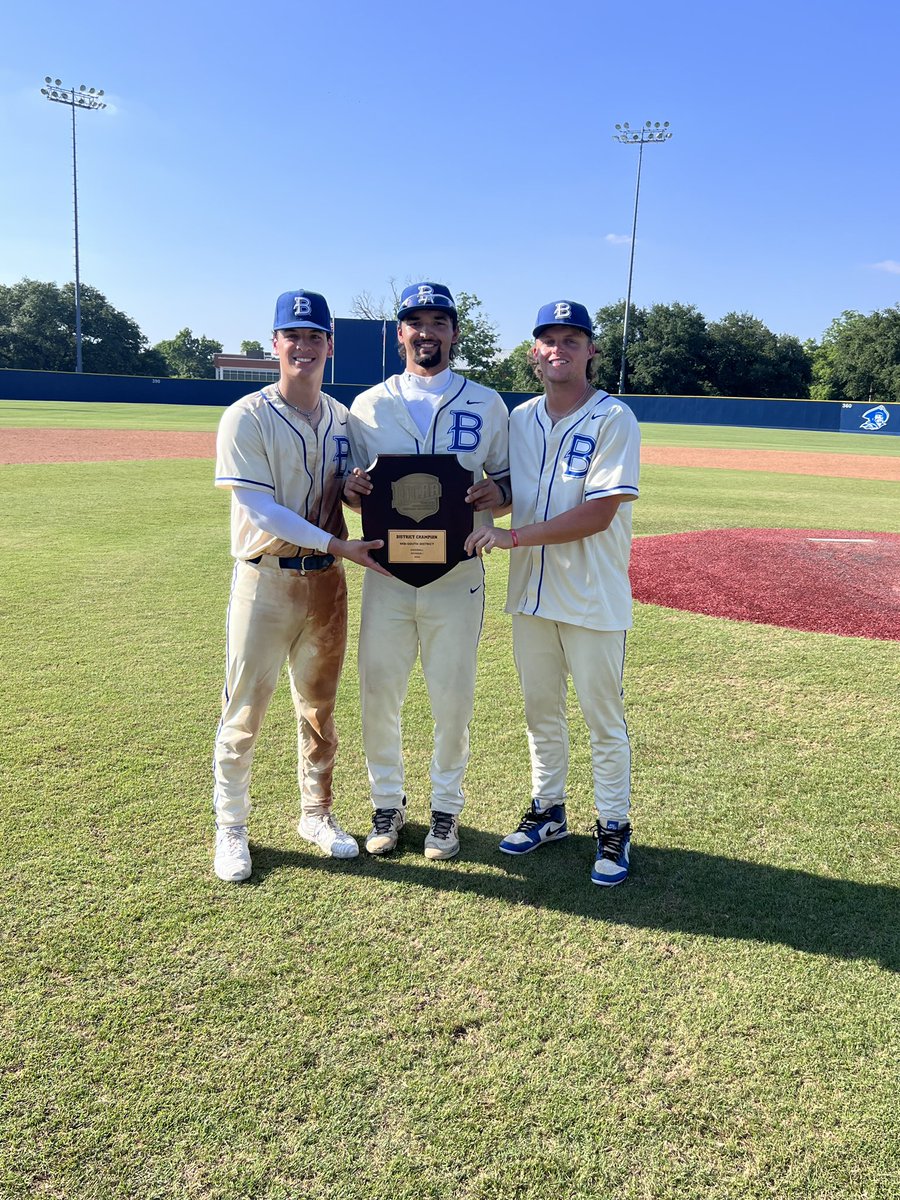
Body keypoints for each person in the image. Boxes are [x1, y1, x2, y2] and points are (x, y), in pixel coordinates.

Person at [211, 288, 390, 883]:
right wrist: (339, 542)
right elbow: (259, 509)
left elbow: (362, 486)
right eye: (294, 335)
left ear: (330, 346)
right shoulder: (247, 415)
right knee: (244, 711)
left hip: (326, 587)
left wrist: (357, 491)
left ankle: (316, 814)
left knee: (319, 710)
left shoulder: (343, 419)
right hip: (266, 581)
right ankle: (231, 827)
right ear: (275, 343)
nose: (304, 346)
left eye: (315, 337)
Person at [465, 300, 640, 886]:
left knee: (602, 719)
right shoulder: (521, 419)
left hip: (592, 595)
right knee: (541, 713)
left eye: (572, 338)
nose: (559, 348)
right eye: (548, 339)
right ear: (534, 353)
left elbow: (598, 513)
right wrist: (493, 499)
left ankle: (613, 825)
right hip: (532, 595)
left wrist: (510, 534)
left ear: (591, 350)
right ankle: (549, 809)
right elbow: (521, 490)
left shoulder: (614, 418)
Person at [344, 282, 511, 860]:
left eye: (439, 321)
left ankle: (446, 810)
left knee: (452, 698)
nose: (427, 331)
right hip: (387, 575)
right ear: (400, 334)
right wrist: (350, 487)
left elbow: (508, 483)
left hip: (456, 574)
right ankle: (386, 802)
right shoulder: (368, 405)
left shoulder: (487, 403)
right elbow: (352, 489)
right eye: (416, 321)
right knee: (378, 693)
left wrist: (498, 492)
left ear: (454, 333)